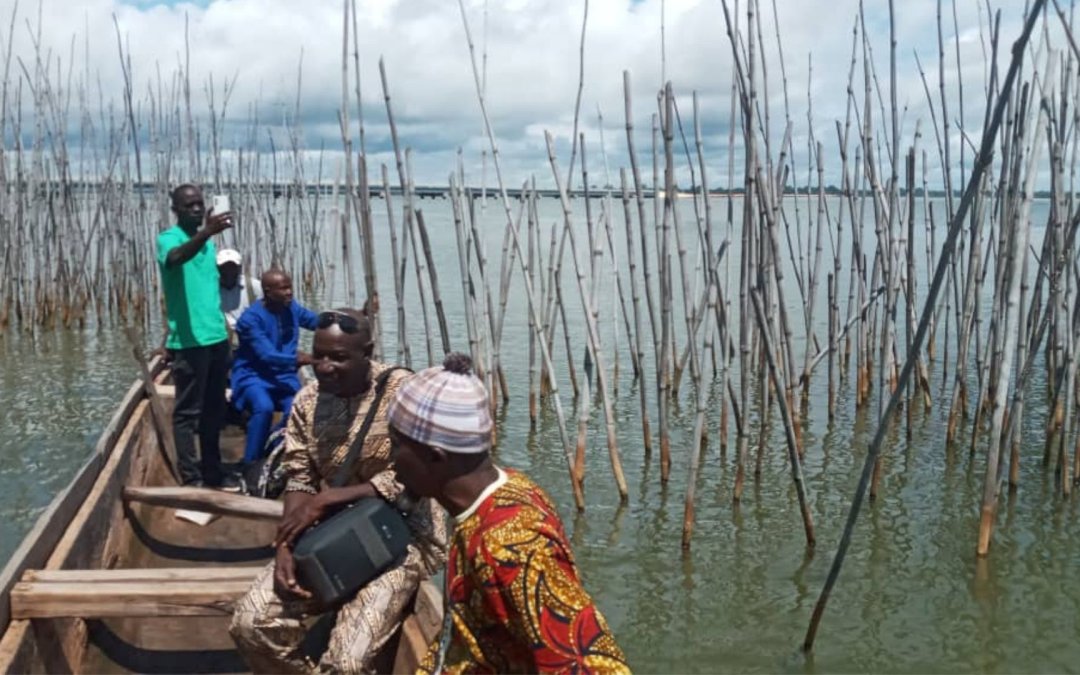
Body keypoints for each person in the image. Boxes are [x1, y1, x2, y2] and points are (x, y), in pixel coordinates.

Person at [230, 308, 447, 673]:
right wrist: (286, 544)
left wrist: (331, 497)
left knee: (346, 664)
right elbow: (299, 477)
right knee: (251, 624)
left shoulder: (403, 393)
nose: (325, 366)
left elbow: (425, 469)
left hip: (402, 537)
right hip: (334, 535)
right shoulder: (308, 402)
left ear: (368, 351)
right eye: (319, 355)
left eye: (339, 357)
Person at [387, 353, 630, 674]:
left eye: (395, 445)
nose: (390, 460)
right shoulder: (510, 486)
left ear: (434, 456)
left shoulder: (506, 545)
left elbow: (585, 662)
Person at [157, 183, 238, 489]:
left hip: (216, 338)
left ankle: (213, 471)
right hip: (189, 343)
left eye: (198, 204)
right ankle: (191, 478)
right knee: (187, 413)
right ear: (176, 210)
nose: (194, 209)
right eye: (187, 205)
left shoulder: (207, 245)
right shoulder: (169, 239)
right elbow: (175, 258)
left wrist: (226, 332)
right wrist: (205, 232)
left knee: (214, 410)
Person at [231, 269, 317, 467]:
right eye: (283, 288)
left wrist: (352, 318)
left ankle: (272, 452)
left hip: (284, 376)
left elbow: (315, 321)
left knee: (298, 408)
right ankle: (250, 463)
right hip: (252, 375)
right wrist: (303, 360)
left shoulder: (292, 308)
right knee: (264, 407)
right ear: (268, 292)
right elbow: (267, 355)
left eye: (290, 287)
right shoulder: (251, 319)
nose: (289, 292)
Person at [218, 248, 262, 331]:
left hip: (247, 336)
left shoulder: (253, 286)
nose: (228, 271)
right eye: (224, 268)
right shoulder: (211, 289)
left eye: (232, 267)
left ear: (239, 268)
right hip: (221, 337)